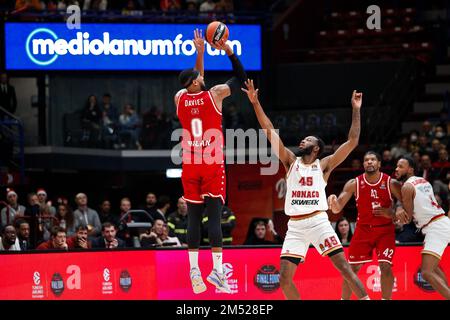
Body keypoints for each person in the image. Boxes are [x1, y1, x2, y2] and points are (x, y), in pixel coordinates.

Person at [242, 79, 368, 300]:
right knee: (284, 278)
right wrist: (255, 103)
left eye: (307, 140)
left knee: (344, 269)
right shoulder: (290, 161)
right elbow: (269, 130)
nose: (302, 140)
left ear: (316, 147)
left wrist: (356, 110)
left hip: (319, 222)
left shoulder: (324, 165)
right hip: (296, 226)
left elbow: (353, 141)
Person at [174, 29, 247, 294]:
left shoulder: (180, 98)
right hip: (211, 162)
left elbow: (195, 79)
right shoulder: (214, 94)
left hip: (190, 164)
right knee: (214, 218)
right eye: (198, 77)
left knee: (193, 219)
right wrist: (229, 52)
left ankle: (194, 271)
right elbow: (241, 78)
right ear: (194, 82)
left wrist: (200, 53)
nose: (202, 77)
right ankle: (217, 273)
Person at [328, 151, 404, 300]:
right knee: (351, 270)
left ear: (379, 164)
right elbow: (338, 207)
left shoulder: (391, 182)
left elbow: (404, 205)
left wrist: (393, 212)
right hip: (363, 230)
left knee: (385, 267)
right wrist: (333, 202)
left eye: (373, 159)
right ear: (363, 164)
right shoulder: (354, 183)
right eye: (366, 160)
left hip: (385, 230)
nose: (369, 162)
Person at [395, 156, 450, 299]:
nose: (396, 169)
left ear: (410, 169)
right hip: (440, 222)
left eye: (401, 166)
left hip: (435, 227)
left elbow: (407, 219)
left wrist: (397, 211)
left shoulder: (407, 186)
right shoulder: (423, 181)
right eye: (396, 166)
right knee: (433, 267)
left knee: (426, 272)